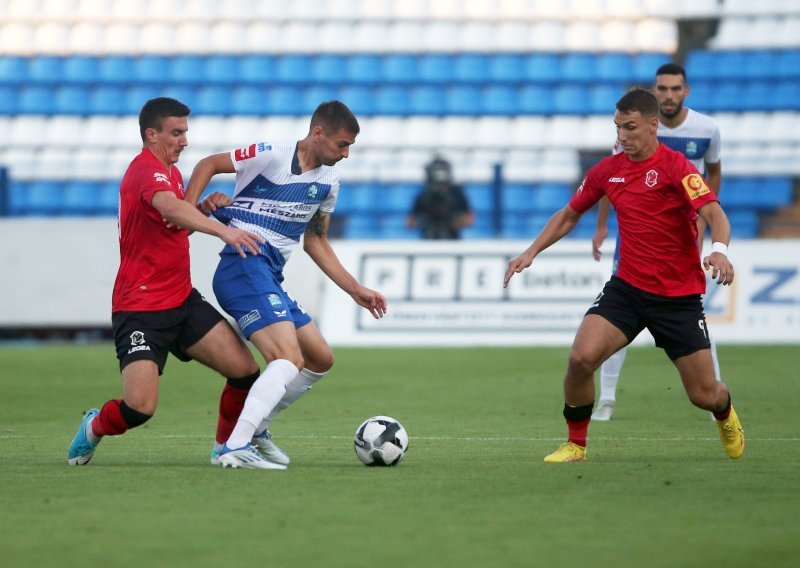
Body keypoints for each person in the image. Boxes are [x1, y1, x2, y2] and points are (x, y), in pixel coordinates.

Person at [504, 88, 744, 463]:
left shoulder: (677, 167)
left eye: (630, 127)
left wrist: (719, 250)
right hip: (627, 290)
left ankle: (725, 413)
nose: (622, 136)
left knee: (704, 394)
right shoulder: (607, 171)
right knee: (581, 359)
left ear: (652, 125)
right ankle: (576, 444)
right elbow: (569, 214)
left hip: (677, 298)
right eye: (618, 127)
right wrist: (530, 252)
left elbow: (714, 213)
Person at [184, 100, 388, 469]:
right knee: (287, 358)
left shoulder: (329, 181)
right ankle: (234, 447)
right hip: (243, 264)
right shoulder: (270, 155)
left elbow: (316, 241)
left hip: (269, 274)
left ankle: (256, 428)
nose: (345, 154)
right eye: (342, 145)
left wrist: (355, 289)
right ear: (318, 132)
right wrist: (187, 207)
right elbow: (208, 164)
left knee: (319, 358)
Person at [68, 97, 268, 466]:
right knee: (139, 408)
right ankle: (94, 426)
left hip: (181, 301)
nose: (184, 141)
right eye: (176, 133)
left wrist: (203, 209)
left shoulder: (172, 174)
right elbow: (171, 208)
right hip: (140, 309)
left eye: (185, 132)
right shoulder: (145, 171)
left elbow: (176, 226)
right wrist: (222, 233)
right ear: (152, 135)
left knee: (245, 372)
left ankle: (225, 448)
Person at [591, 63, 723, 421]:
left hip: (683, 230)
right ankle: (606, 398)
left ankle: (715, 398)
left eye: (674, 88)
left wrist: (705, 221)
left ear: (685, 91)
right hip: (637, 231)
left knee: (694, 316)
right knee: (617, 311)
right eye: (662, 89)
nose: (668, 95)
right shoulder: (631, 127)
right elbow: (611, 178)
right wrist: (603, 224)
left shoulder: (707, 129)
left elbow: (712, 176)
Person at [406, 155, 475, 239]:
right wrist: (423, 221)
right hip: (429, 238)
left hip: (452, 239)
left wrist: (454, 222)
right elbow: (410, 223)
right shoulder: (424, 195)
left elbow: (470, 219)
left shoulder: (456, 194)